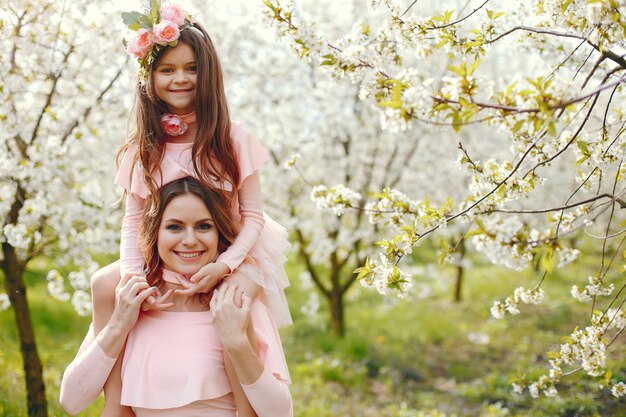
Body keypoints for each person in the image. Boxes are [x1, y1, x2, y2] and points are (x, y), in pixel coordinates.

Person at [70, 0, 291, 413]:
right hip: (167, 250)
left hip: (230, 252)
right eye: (167, 70)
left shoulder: (231, 139)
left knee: (231, 306)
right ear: (148, 77)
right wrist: (135, 277)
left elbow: (255, 215)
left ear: (207, 75)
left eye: (191, 69)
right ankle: (116, 402)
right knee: (107, 283)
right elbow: (134, 218)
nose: (180, 79)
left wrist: (225, 266)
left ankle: (244, 406)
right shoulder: (143, 149)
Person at [60, 177, 292, 416]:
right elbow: (72, 401)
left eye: (203, 226)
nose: (190, 241)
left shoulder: (233, 302)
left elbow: (279, 413)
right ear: (155, 233)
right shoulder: (129, 303)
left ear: (218, 232)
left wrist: (238, 344)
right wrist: (118, 325)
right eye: (174, 227)